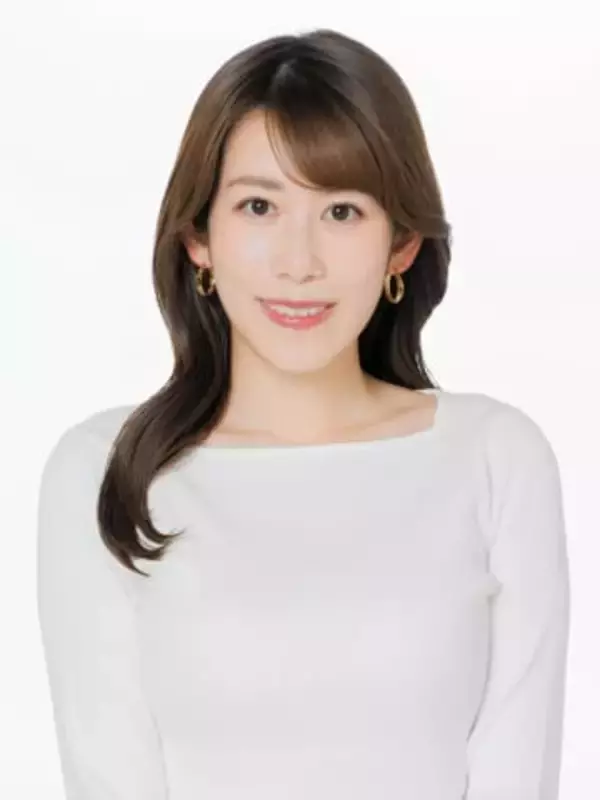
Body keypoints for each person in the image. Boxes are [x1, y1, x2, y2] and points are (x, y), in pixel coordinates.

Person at [36, 28, 571, 800]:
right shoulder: (106, 472)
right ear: (198, 237)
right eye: (259, 206)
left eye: (343, 211)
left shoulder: (494, 458)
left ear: (401, 245)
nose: (299, 262)